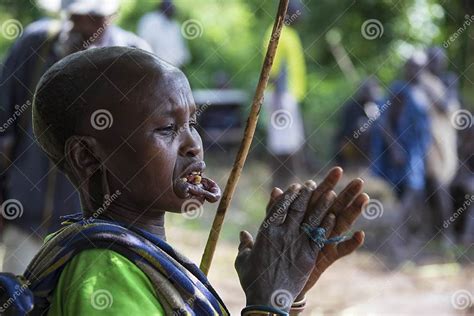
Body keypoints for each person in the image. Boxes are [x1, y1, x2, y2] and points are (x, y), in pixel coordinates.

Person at [0, 47, 368, 315]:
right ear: (88, 156)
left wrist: (285, 293)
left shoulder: (135, 258)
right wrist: (266, 303)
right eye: (166, 129)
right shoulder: (103, 275)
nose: (193, 143)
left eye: (192, 123)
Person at [0, 0, 150, 275]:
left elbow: (148, 148)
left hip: (99, 236)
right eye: (76, 15)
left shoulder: (136, 58)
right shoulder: (35, 45)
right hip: (26, 221)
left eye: (93, 17)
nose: (82, 25)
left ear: (113, 14)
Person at [371, 53, 432, 249]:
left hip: (416, 152)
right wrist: (395, 148)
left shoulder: (422, 91)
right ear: (406, 68)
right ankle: (395, 238)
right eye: (413, 66)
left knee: (410, 192)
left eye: (420, 67)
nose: (417, 71)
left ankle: (403, 237)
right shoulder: (400, 90)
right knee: (412, 190)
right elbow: (385, 123)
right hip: (403, 153)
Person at [264, 0, 307, 189]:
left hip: (288, 96)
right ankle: (280, 182)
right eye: (298, 11)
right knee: (282, 143)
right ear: (288, 11)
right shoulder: (277, 33)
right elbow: (274, 69)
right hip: (280, 97)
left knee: (291, 141)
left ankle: (289, 181)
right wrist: (280, 101)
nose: (302, 15)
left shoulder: (291, 34)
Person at [419, 46, 460, 239]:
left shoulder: (447, 80)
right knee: (427, 185)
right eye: (432, 59)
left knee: (441, 184)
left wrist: (428, 88)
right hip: (425, 141)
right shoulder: (420, 81)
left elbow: (447, 107)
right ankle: (433, 231)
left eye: (438, 59)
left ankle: (447, 234)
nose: (436, 63)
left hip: (443, 140)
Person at [335, 76, 383, 168]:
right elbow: (346, 130)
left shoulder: (378, 105)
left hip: (374, 146)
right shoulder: (352, 107)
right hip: (351, 143)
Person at [137, 0, 191, 68]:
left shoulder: (175, 26)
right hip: (152, 66)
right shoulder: (150, 20)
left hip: (173, 69)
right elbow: (144, 45)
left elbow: (182, 52)